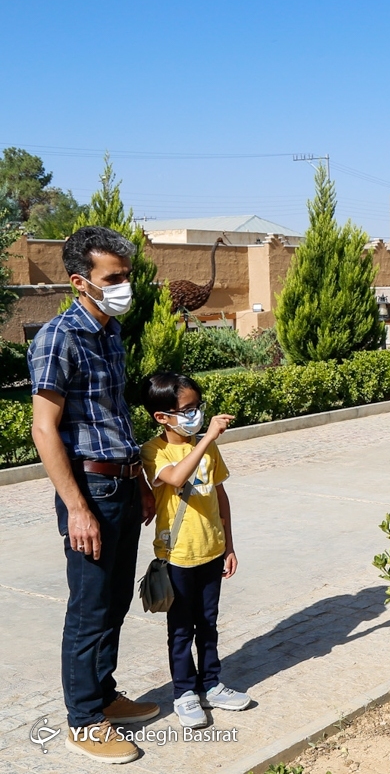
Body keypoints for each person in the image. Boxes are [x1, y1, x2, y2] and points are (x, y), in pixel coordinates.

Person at [27, 226, 159, 764]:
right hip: (92, 491)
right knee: (89, 607)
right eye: (115, 278)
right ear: (82, 281)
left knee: (117, 599)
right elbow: (43, 428)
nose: (126, 285)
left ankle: (103, 695)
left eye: (127, 274)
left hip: (124, 483)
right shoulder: (60, 337)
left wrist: (143, 481)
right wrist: (77, 507)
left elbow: (114, 416)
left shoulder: (109, 333)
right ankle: (82, 718)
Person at [140, 372, 250, 728]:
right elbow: (173, 478)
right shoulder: (154, 451)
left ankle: (211, 684)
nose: (196, 415)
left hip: (211, 550)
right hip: (178, 557)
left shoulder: (208, 447)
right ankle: (184, 692)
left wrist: (229, 544)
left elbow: (221, 496)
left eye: (197, 407)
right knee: (181, 629)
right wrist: (207, 440)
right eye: (187, 409)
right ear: (162, 417)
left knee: (208, 623)